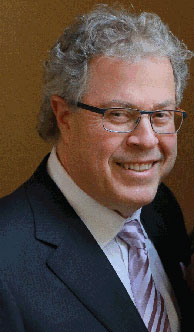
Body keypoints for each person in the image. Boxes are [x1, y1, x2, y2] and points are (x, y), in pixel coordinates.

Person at [0, 4, 193, 332]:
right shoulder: (6, 261)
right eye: (118, 114)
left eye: (161, 115)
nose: (146, 140)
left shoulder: (161, 209)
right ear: (64, 116)